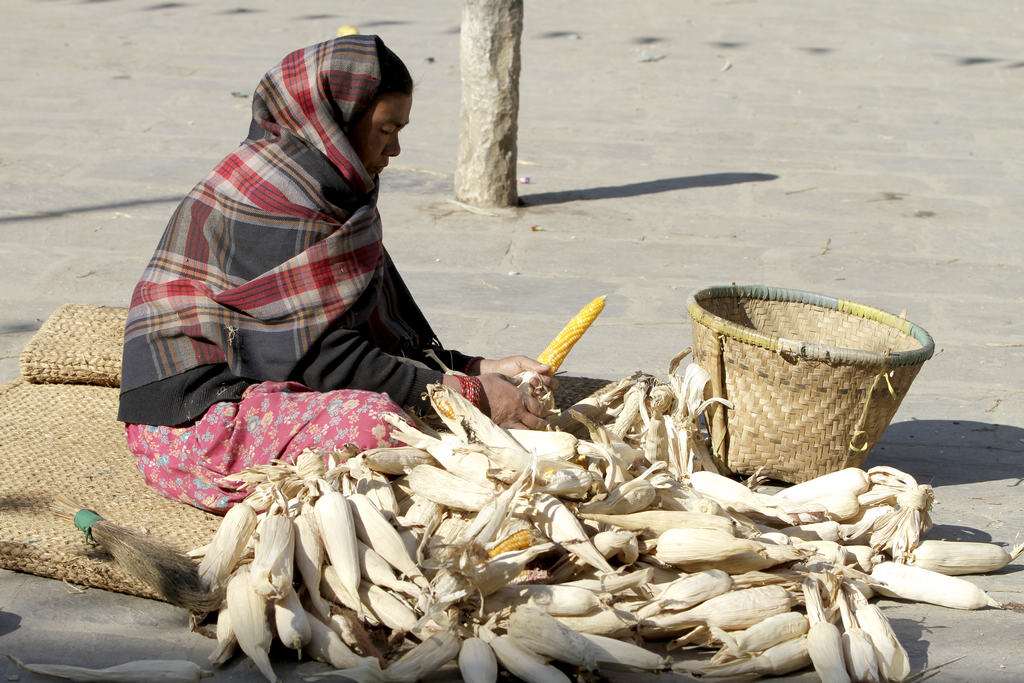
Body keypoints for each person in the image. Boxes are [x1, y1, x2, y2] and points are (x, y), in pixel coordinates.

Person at [118, 35, 555, 513]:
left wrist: (473, 366)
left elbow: (360, 328)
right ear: (335, 123)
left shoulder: (331, 192)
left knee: (411, 416)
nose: (396, 149)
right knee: (378, 426)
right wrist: (466, 393)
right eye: (386, 130)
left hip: (268, 382)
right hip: (197, 419)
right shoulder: (276, 200)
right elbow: (322, 359)